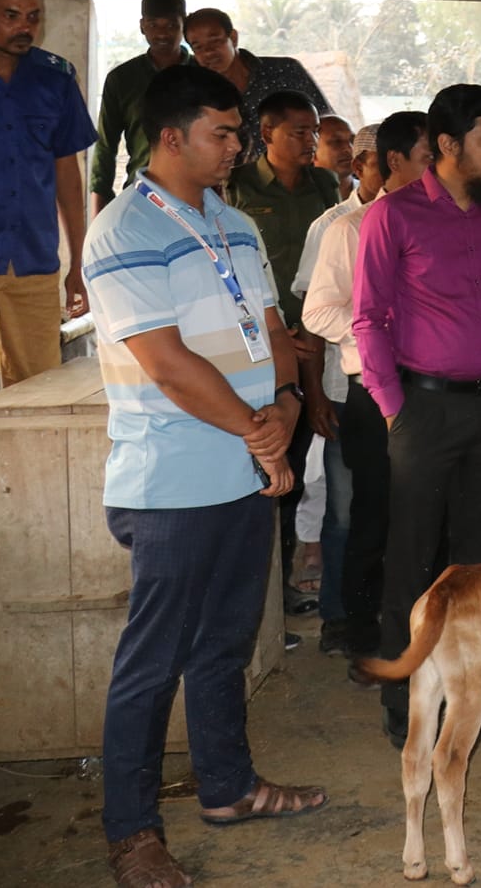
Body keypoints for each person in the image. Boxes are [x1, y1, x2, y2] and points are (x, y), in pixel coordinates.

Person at [83, 61, 324, 888]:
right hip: (174, 480)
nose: (237, 147)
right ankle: (132, 833)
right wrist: (265, 438)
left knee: (224, 646)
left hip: (244, 468)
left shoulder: (237, 223)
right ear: (171, 136)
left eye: (239, 133)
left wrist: (289, 400)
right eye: (223, 134)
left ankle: (228, 788)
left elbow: (273, 327)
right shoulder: (123, 231)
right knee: (152, 660)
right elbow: (166, 363)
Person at [352, 84, 481, 745]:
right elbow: (368, 318)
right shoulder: (394, 217)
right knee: (411, 558)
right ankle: (401, 696)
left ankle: (474, 684)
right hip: (424, 409)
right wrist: (393, 409)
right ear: (446, 144)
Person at [300, 111, 431, 660]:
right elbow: (316, 313)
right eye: (428, 159)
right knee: (369, 515)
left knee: (427, 515)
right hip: (369, 391)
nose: (438, 170)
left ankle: (422, 630)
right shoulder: (346, 229)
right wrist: (376, 332)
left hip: (433, 390)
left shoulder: (442, 224)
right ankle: (358, 627)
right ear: (393, 162)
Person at [227, 89, 340, 608]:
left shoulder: (325, 185)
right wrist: (275, 334)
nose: (309, 141)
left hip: (313, 346)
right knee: (256, 466)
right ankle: (258, 595)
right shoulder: (238, 187)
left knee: (293, 469)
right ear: (266, 133)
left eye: (314, 131)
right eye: (298, 131)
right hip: (258, 347)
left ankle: (283, 590)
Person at [0, 0, 95, 406]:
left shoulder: (55, 78)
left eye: (33, 15)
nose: (25, 27)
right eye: (10, 15)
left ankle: (19, 481)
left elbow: (67, 174)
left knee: (38, 397)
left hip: (34, 265)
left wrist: (78, 261)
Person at [290, 122, 384, 653]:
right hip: (342, 390)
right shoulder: (333, 227)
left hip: (389, 395)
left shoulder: (409, 220)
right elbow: (312, 319)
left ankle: (372, 612)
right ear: (360, 168)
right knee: (344, 509)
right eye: (378, 163)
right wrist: (317, 397)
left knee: (378, 508)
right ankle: (337, 616)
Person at [90, 0, 189, 215]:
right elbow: (105, 148)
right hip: (141, 198)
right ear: (142, 26)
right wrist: (98, 213)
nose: (162, 34)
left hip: (196, 197)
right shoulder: (122, 79)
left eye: (171, 25)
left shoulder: (203, 74)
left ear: (184, 25)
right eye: (154, 25)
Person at [184, 7, 329, 162]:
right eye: (198, 47)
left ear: (233, 38)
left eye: (215, 41)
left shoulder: (285, 71)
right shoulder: (196, 93)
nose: (208, 52)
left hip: (300, 177)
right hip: (234, 183)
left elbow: (327, 124)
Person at [315, 114, 357, 200]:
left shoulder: (374, 195)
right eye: (336, 141)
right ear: (312, 151)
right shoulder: (302, 203)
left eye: (352, 140)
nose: (349, 148)